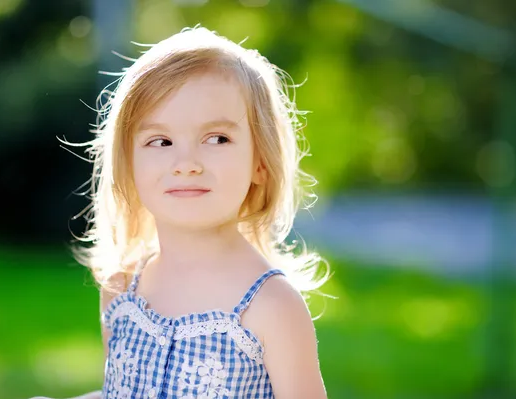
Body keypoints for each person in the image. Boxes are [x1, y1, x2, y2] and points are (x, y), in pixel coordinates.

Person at [36, 26, 329, 399]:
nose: (186, 163)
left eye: (217, 139)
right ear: (130, 164)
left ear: (260, 163)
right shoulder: (123, 288)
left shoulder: (271, 306)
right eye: (160, 141)